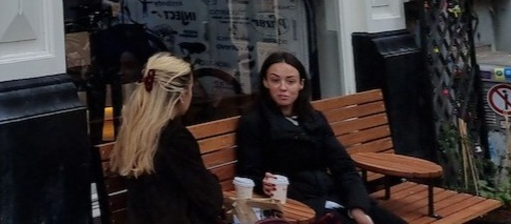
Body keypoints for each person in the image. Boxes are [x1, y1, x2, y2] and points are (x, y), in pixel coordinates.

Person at [237, 51, 404, 224]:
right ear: (265, 82)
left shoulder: (314, 118)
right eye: (275, 80)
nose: (283, 87)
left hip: (336, 196)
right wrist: (262, 184)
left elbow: (344, 167)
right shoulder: (254, 122)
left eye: (290, 81)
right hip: (300, 206)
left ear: (301, 84)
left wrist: (358, 208)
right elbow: (247, 173)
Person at [109, 52, 225, 224]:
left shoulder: (134, 131)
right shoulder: (176, 139)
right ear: (182, 95)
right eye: (191, 89)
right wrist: (212, 180)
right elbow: (210, 201)